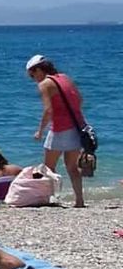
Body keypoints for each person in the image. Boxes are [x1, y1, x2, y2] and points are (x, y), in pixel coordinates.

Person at [25, 55, 87, 208]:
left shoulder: (45, 84)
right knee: (72, 168)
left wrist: (40, 131)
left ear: (38, 70)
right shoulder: (65, 78)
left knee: (48, 167)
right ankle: (79, 201)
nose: (33, 79)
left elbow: (48, 110)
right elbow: (80, 100)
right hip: (77, 126)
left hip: (60, 129)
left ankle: (51, 198)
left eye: (32, 75)